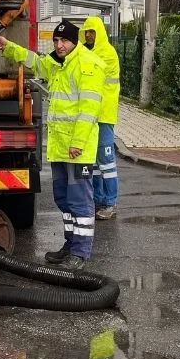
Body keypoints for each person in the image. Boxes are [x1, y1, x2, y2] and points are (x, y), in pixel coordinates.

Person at [0, 19, 104, 269]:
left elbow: (89, 110)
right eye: (56, 40)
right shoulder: (59, 64)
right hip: (60, 147)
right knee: (63, 199)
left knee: (80, 201)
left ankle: (81, 253)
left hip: (78, 149)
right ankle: (70, 244)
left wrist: (77, 143)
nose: (59, 45)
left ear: (75, 42)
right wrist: (8, 45)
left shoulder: (88, 66)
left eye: (64, 40)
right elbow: (34, 61)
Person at [82, 16, 121, 219]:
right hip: (91, 116)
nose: (88, 35)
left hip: (104, 114)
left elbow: (90, 68)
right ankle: (98, 200)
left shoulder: (107, 53)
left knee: (106, 161)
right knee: (95, 162)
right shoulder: (87, 52)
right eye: (86, 32)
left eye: (92, 32)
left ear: (99, 33)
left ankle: (110, 202)